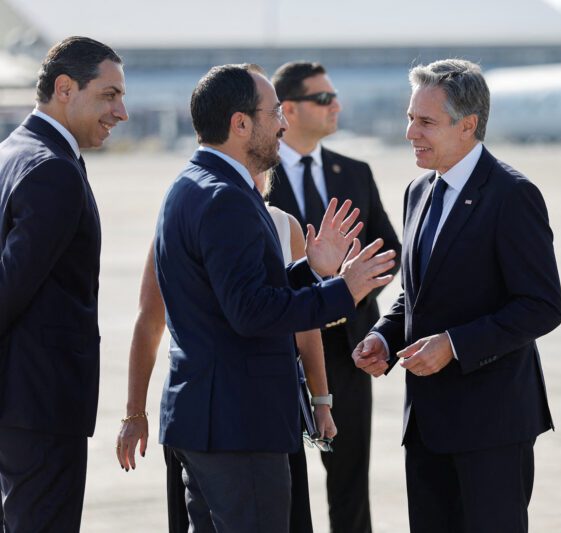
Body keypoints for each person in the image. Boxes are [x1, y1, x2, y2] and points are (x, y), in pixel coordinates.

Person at [152, 63, 395, 532]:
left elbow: (235, 294)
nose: (282, 125)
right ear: (240, 123)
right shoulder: (226, 199)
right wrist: (342, 291)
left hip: (208, 421)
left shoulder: (192, 183)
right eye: (274, 114)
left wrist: (310, 272)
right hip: (237, 426)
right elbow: (252, 312)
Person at [352, 59, 561, 533]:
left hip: (492, 426)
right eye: (410, 117)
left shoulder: (512, 195)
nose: (410, 133)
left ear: (468, 125)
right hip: (426, 425)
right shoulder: (418, 191)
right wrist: (384, 336)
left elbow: (542, 305)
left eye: (425, 121)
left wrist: (454, 345)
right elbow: (418, 292)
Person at [116, 174, 332, 533]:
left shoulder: (283, 225)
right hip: (203, 415)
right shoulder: (182, 219)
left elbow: (305, 328)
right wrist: (134, 412)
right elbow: (149, 322)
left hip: (273, 411)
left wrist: (321, 400)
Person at [0, 36, 127, 532]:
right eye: (109, 95)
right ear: (65, 88)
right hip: (39, 409)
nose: (121, 112)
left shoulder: (13, 151)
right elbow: (9, 288)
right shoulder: (53, 168)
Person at [267, 61, 401, 533]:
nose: (335, 105)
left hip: (347, 349)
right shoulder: (258, 175)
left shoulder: (354, 171)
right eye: (323, 98)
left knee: (350, 483)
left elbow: (389, 250)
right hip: (281, 352)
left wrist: (353, 287)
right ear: (288, 109)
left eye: (334, 96)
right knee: (283, 487)